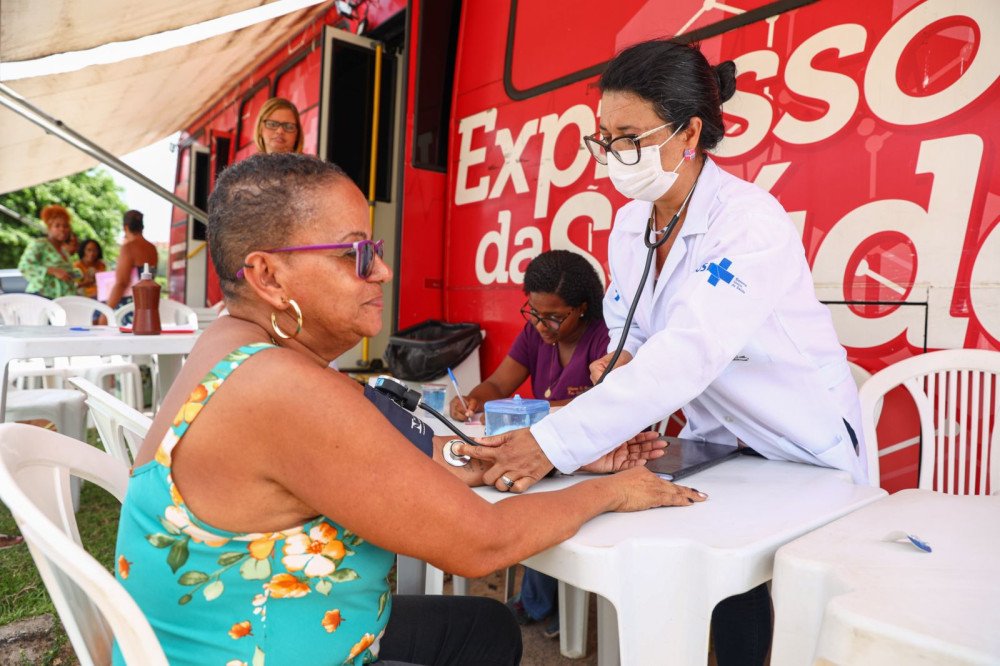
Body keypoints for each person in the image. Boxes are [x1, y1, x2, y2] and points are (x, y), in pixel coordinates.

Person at [112, 152, 705, 666]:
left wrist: (546, 458)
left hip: (230, 636)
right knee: (481, 628)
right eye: (356, 254)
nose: (383, 271)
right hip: (261, 648)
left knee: (484, 628)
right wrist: (614, 490)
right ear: (267, 274)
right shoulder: (280, 389)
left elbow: (398, 463)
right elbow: (483, 543)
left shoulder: (232, 348)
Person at [456, 40, 868, 665]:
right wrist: (618, 366)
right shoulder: (632, 223)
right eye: (604, 137)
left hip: (799, 442)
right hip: (719, 443)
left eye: (628, 136)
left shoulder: (749, 222)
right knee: (729, 586)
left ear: (689, 133)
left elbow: (689, 352)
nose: (613, 155)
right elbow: (639, 335)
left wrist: (552, 443)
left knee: (797, 599)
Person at [448, 249, 610, 637]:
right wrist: (474, 398)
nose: (540, 325)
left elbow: (606, 403)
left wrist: (536, 408)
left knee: (541, 499)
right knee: (517, 490)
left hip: (592, 452)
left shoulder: (606, 337)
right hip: (541, 451)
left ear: (582, 308)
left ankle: (545, 602)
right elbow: (500, 384)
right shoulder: (535, 333)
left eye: (554, 316)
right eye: (534, 313)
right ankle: (541, 601)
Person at [17, 204, 81, 299]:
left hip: (64, 298)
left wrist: (75, 274)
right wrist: (53, 271)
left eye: (65, 226)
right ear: (49, 228)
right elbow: (24, 266)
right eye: (57, 226)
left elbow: (65, 274)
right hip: (43, 296)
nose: (62, 229)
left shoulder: (64, 251)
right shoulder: (40, 244)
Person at [106, 210, 159, 309]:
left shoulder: (128, 248)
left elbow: (121, 283)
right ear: (142, 227)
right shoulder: (152, 248)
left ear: (125, 227)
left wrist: (105, 314)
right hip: (146, 302)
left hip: (128, 308)